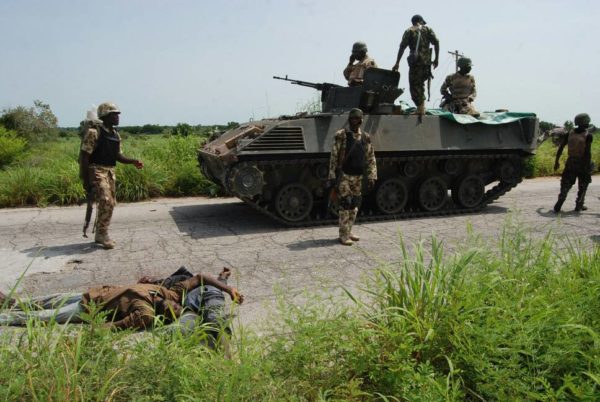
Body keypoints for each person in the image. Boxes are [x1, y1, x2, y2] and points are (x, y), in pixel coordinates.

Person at [0, 271, 244, 330]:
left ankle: (5, 317)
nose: (176, 307)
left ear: (165, 317)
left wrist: (96, 328)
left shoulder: (145, 312)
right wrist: (228, 288)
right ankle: (10, 302)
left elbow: (115, 326)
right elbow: (200, 277)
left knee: (38, 317)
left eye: (175, 312)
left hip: (89, 309)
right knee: (44, 300)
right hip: (97, 293)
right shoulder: (172, 293)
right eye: (179, 306)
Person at [79, 102, 144, 249]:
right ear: (105, 116)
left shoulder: (115, 134)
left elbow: (118, 156)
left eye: (117, 114)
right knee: (106, 200)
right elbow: (84, 156)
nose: (117, 117)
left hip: (109, 172)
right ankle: (103, 234)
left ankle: (100, 233)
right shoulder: (94, 132)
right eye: (114, 114)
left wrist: (133, 161)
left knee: (110, 203)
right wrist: (85, 179)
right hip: (96, 170)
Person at [327, 108, 377, 246]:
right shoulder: (342, 135)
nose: (354, 121)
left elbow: (371, 157)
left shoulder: (365, 137)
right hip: (344, 175)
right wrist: (332, 174)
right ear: (349, 120)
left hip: (358, 177)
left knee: (355, 204)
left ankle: (348, 231)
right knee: (345, 203)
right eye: (352, 119)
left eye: (357, 119)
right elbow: (334, 156)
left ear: (361, 120)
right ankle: (343, 235)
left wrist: (372, 175)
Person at [392, 14, 440, 116]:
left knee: (414, 86)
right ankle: (421, 108)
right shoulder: (427, 30)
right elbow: (436, 42)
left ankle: (420, 108)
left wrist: (397, 63)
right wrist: (436, 59)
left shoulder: (409, 31)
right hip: (427, 64)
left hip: (416, 63)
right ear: (421, 21)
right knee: (420, 85)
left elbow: (402, 47)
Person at [553, 113, 594, 213]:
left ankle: (561, 198)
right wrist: (587, 167)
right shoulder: (588, 135)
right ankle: (579, 204)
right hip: (583, 161)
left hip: (571, 161)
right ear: (585, 122)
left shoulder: (570, 133)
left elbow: (561, 147)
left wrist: (556, 161)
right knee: (583, 183)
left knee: (566, 182)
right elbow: (587, 153)